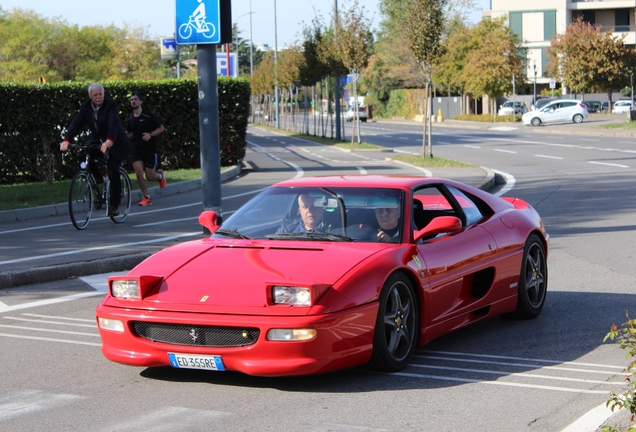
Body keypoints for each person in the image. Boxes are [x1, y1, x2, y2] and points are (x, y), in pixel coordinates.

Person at [60, 83, 131, 217]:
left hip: (116, 141)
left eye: (101, 94)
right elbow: (76, 123)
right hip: (97, 140)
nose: (99, 97)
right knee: (83, 155)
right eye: (95, 95)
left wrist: (109, 140)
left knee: (112, 170)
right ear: (90, 96)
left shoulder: (111, 105)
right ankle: (96, 179)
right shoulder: (86, 106)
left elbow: (113, 123)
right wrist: (67, 139)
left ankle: (114, 205)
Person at [126, 92, 166, 206]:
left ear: (140, 101)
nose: (133, 101)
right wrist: (122, 135)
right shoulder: (130, 119)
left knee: (150, 176)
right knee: (138, 172)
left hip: (149, 150)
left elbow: (161, 128)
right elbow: (129, 132)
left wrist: (151, 134)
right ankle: (146, 197)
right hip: (137, 149)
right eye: (131, 100)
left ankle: (159, 176)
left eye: (135, 99)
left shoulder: (148, 116)